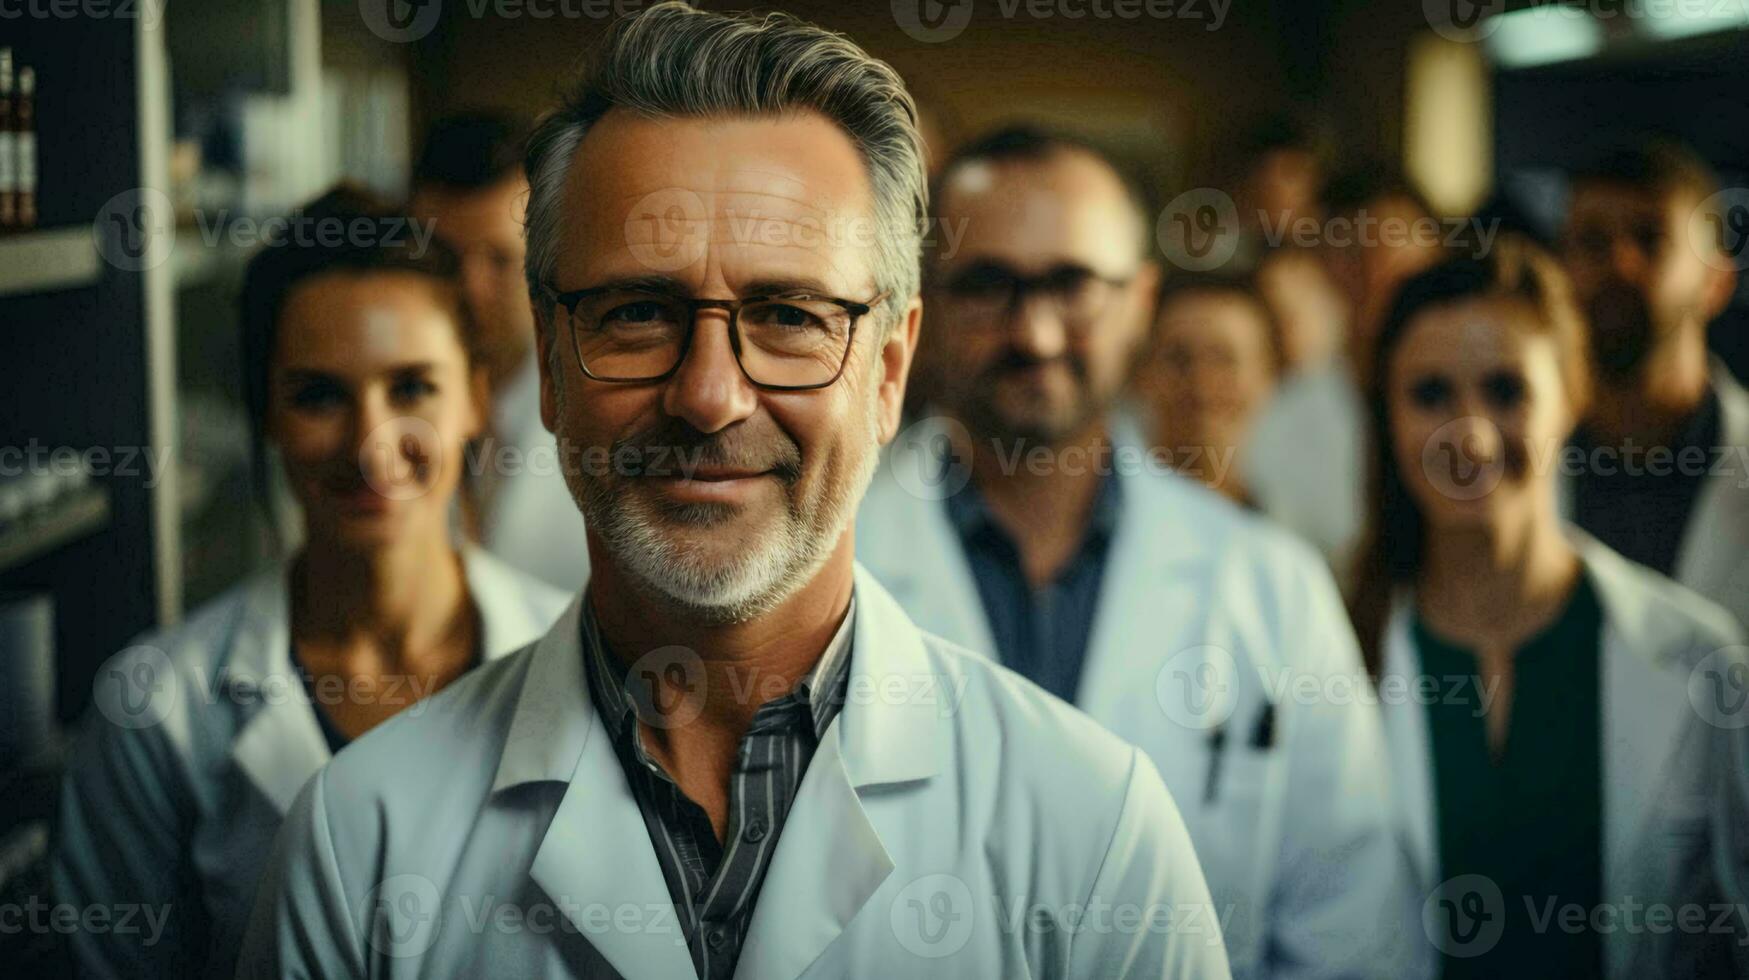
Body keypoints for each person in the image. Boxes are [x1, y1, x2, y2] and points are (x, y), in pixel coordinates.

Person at [237, 7, 1231, 979]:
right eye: (637, 311)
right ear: (548, 364)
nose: (709, 394)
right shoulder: (355, 847)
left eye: (789, 314)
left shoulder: (1097, 832)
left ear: (888, 372)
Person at [857, 126, 1414, 980]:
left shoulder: (1268, 585)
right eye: (987, 285)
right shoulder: (833, 559)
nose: (1035, 334)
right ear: (922, 307)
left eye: (1073, 285)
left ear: (1143, 300)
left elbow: (1350, 932)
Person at [52, 188, 569, 979]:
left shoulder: (579, 661)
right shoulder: (157, 712)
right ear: (265, 415)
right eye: (319, 395)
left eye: (411, 388)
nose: (371, 445)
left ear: (475, 398)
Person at [1348, 239, 1749, 978]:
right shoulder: (1332, 652)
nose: (1466, 433)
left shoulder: (1698, 656)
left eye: (1505, 391)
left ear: (1572, 395)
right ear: (1386, 416)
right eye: (1429, 394)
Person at [1559, 141, 1749, 629]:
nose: (1619, 264)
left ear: (1717, 282)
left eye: (1650, 239)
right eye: (1593, 242)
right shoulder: (1517, 457)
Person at [409, 113, 591, 591]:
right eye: (444, 257)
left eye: (499, 259)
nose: (470, 288)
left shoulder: (601, 423)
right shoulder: (373, 417)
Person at [1241, 168, 1447, 579]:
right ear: (1320, 263)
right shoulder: (1279, 421)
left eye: (1391, 244)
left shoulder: (1484, 402)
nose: (1373, 272)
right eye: (1350, 250)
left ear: (1435, 253)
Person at [1131, 273, 1284, 505]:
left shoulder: (1283, 537)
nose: (1203, 383)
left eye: (1224, 359)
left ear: (1268, 377)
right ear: (1140, 374)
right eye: (1178, 359)